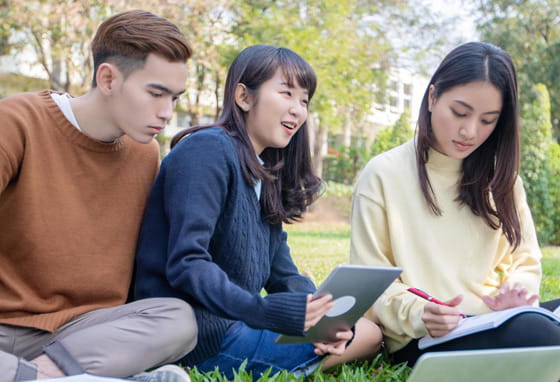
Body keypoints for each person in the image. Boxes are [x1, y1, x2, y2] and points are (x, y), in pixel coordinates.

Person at [133, 44, 383, 379]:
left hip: (235, 325)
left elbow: (282, 273)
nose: (297, 110)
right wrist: (262, 311)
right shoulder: (207, 150)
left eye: (304, 100)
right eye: (286, 93)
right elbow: (187, 263)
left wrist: (319, 317)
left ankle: (303, 358)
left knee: (355, 331)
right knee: (369, 335)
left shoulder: (262, 172)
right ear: (244, 97)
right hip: (195, 337)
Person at [0, 10, 197, 382]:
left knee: (178, 319)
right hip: (5, 328)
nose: (167, 112)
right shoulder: (17, 121)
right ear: (107, 78)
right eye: (156, 93)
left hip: (87, 333)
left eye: (174, 97)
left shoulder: (145, 153)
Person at [350, 41, 560, 366]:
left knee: (532, 326)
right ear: (432, 97)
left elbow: (525, 258)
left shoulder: (502, 180)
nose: (469, 131)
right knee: (534, 332)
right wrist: (421, 313)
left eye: (488, 120)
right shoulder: (383, 174)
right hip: (427, 336)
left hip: (501, 320)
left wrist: (516, 293)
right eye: (460, 113)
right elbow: (371, 284)